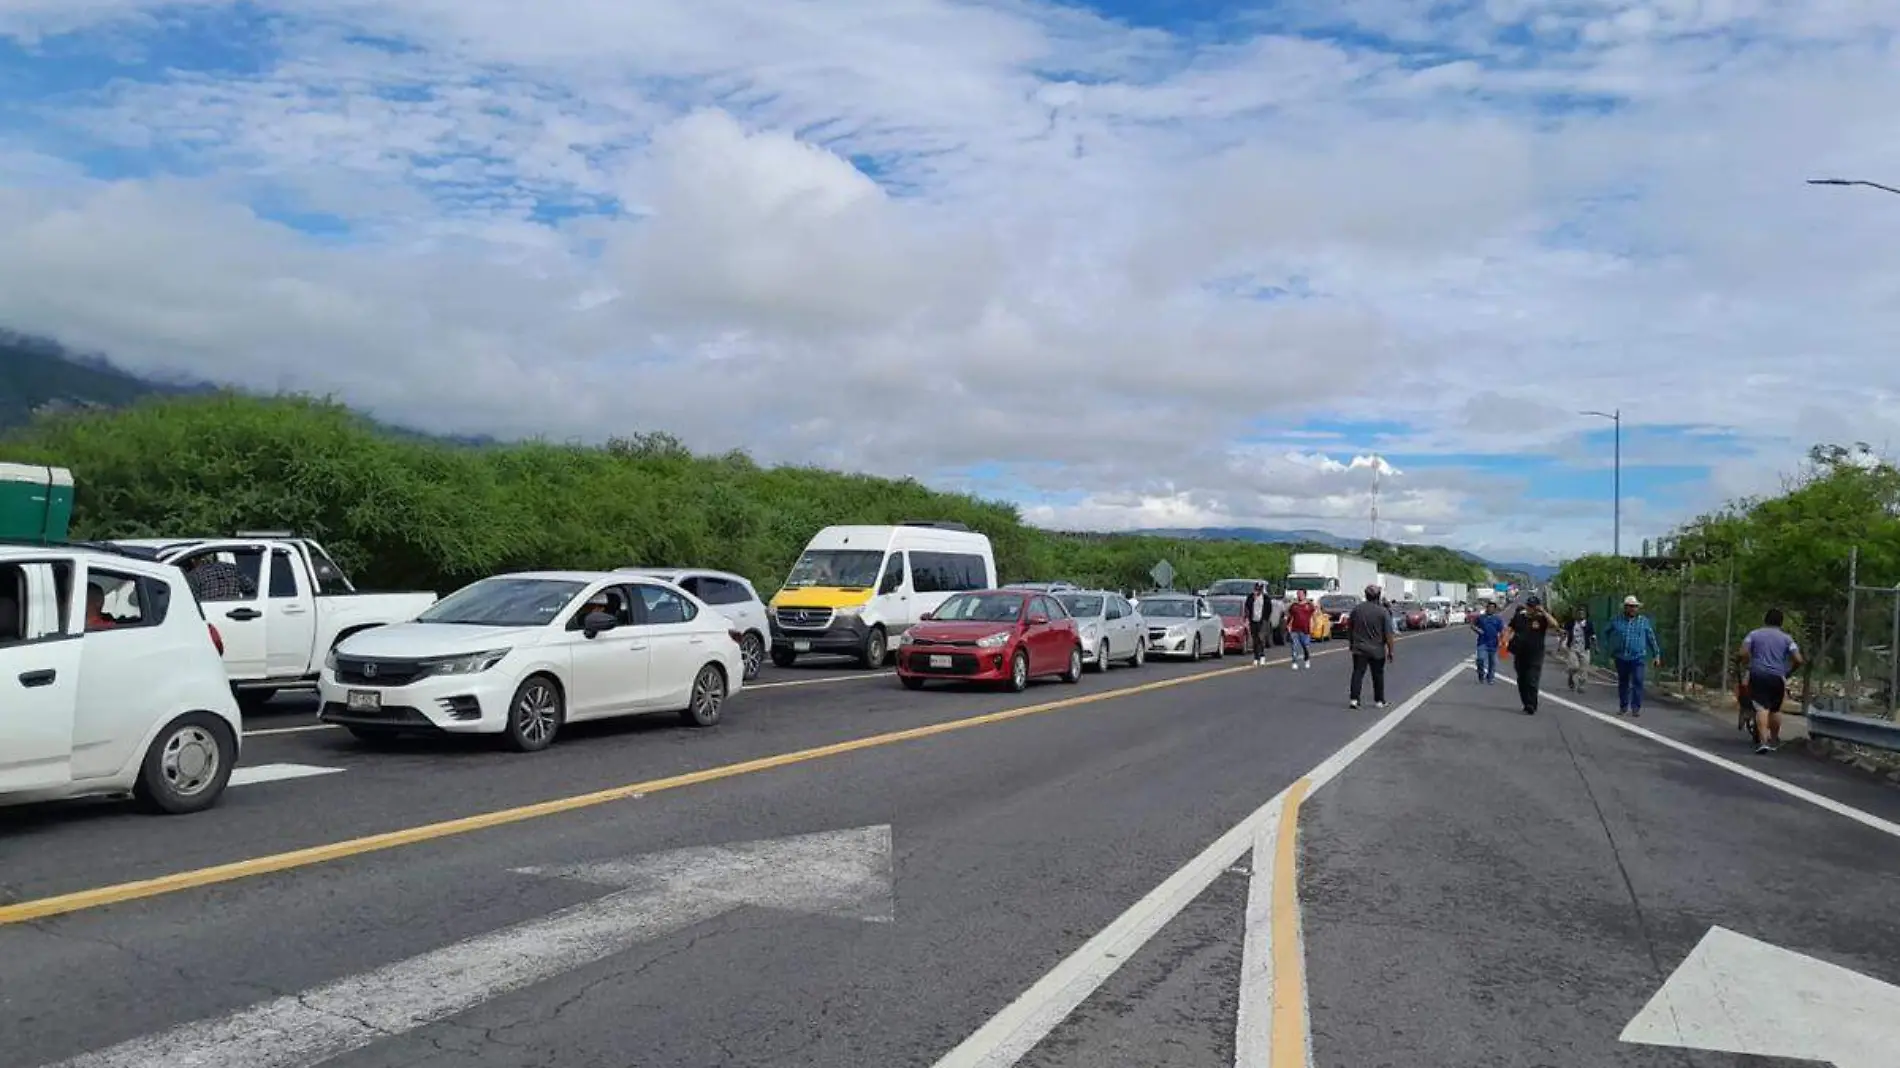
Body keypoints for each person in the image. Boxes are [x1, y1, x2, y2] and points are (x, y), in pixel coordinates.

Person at [1740, 608, 1804, 755]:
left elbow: (1743, 652)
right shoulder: (1787, 639)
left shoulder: (1754, 635)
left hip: (1758, 675)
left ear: (1765, 620)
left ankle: (1763, 742)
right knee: (1775, 709)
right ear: (1781, 623)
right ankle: (1775, 739)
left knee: (1761, 708)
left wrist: (1747, 663)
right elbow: (1799, 659)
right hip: (1778, 677)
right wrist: (1788, 671)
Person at [1603, 594, 1663, 717]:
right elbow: (1606, 633)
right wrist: (1610, 648)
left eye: (1634, 607)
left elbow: (1651, 638)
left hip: (1638, 656)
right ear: (1625, 608)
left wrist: (1656, 655)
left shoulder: (1643, 621)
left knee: (1638, 680)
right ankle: (1623, 706)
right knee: (1623, 682)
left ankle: (1636, 708)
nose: (1632, 609)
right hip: (1621, 656)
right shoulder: (1616, 620)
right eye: (1630, 607)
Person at [1346, 583, 1395, 709]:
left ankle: (1354, 700)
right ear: (1378, 596)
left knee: (1357, 673)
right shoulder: (1383, 611)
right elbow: (1388, 634)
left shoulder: (1357, 610)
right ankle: (1379, 701)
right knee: (1377, 675)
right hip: (1377, 650)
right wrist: (1390, 651)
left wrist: (1351, 643)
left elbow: (1350, 628)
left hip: (1359, 648)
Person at [1506, 595, 1557, 714]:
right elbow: (1510, 628)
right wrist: (1506, 639)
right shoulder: (1519, 617)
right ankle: (1525, 703)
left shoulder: (1541, 619)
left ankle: (1531, 705)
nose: (1531, 609)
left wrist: (1544, 612)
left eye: (1533, 607)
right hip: (1520, 653)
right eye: (1529, 606)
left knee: (1532, 680)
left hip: (1536, 654)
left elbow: (1555, 625)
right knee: (1522, 680)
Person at [182, 553, 257, 602]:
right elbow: (251, 589)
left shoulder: (195, 574)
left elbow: (190, 599)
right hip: (234, 610)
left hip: (209, 613)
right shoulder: (232, 568)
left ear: (193, 561)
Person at [1559, 605, 1596, 692]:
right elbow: (1564, 634)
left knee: (1584, 668)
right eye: (1579, 612)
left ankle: (1581, 685)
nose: (1581, 614)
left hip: (1584, 648)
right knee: (1574, 666)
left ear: (1586, 614)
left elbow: (1593, 636)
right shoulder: (1571, 623)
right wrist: (1560, 644)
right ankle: (1571, 676)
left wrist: (1596, 647)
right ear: (1576, 614)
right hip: (1573, 648)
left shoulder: (1589, 624)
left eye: (1583, 612)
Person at [1471, 602, 1504, 684]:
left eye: (1492, 608)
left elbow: (1502, 631)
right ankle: (1481, 674)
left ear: (1495, 609)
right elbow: (1473, 625)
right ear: (1486, 608)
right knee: (1480, 659)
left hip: (1493, 643)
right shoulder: (1481, 617)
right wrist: (1477, 630)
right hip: (1482, 642)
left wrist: (1502, 641)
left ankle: (1490, 678)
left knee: (1492, 662)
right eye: (1489, 607)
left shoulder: (1497, 619)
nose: (1490, 609)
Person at [1284, 589, 1316, 670]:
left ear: (1305, 595)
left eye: (1301, 594)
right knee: (1294, 646)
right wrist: (1288, 624)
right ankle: (1294, 662)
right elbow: (1288, 614)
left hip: (1305, 629)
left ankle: (1307, 659)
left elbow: (1314, 615)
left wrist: (1313, 625)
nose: (1299, 595)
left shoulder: (1309, 605)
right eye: (1298, 594)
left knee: (1305, 646)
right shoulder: (1294, 605)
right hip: (1295, 629)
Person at [1244, 581, 1273, 666]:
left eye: (1259, 590)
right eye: (1256, 589)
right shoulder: (1250, 597)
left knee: (1261, 638)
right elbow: (1247, 608)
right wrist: (1247, 618)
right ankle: (1256, 657)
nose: (1257, 591)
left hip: (1262, 620)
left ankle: (1262, 655)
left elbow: (1269, 609)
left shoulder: (1266, 598)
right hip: (1253, 620)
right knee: (1255, 639)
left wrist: (1266, 619)